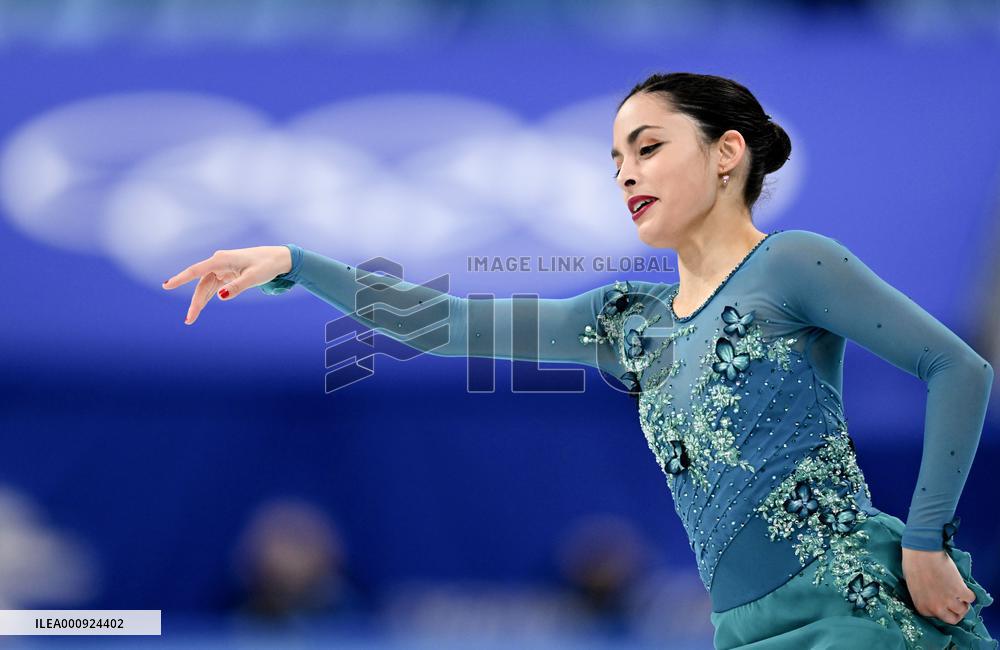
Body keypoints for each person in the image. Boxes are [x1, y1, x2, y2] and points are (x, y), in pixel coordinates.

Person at [163, 72, 997, 649]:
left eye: (648, 148)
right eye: (616, 161)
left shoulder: (792, 263)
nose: (626, 174)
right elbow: (438, 323)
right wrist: (297, 263)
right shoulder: (625, 320)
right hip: (740, 631)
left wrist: (926, 543)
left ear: (726, 153)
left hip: (849, 607)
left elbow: (959, 369)